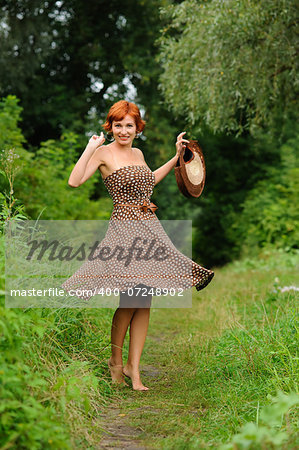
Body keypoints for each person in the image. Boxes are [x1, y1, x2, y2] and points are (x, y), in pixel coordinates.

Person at [64, 100, 214, 391]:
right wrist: (89, 147)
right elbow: (74, 181)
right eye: (117, 125)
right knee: (131, 298)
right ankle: (115, 362)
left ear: (137, 128)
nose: (123, 130)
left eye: (128, 125)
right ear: (111, 126)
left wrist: (175, 158)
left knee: (145, 299)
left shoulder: (138, 153)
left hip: (148, 227)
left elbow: (149, 183)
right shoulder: (103, 153)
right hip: (123, 228)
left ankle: (134, 368)